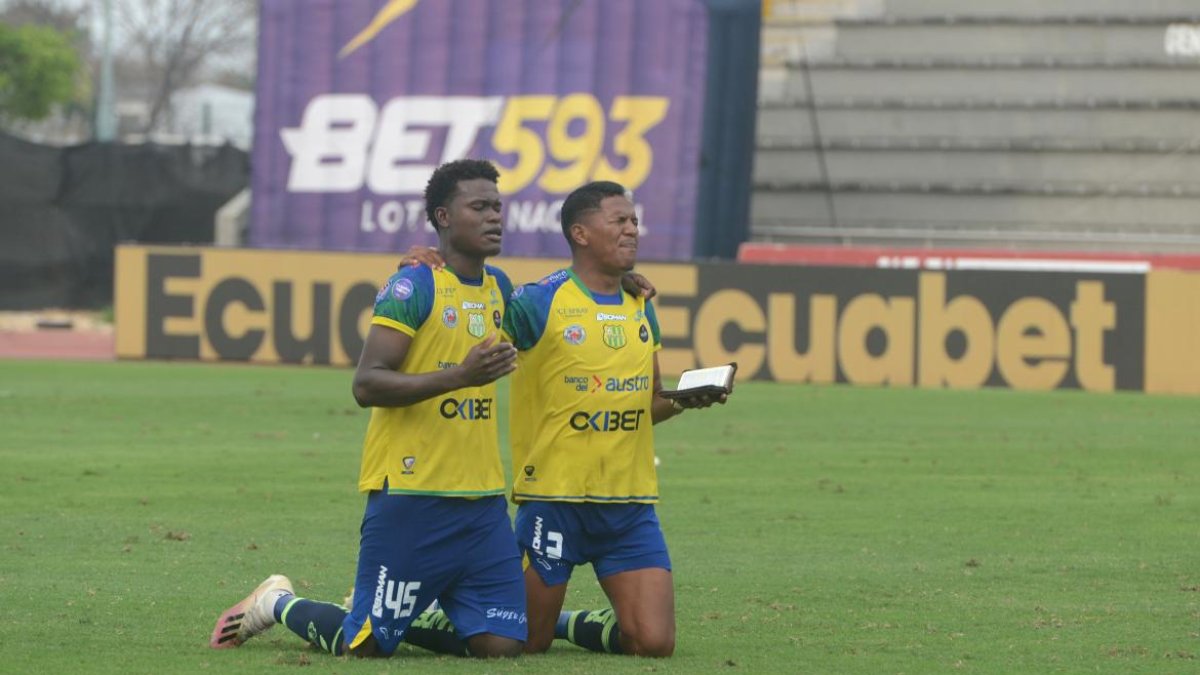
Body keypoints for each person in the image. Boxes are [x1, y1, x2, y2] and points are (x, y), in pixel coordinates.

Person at [209, 159, 527, 658]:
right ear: (444, 217)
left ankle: (390, 610)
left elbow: (560, 311)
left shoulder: (500, 289)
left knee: (503, 645)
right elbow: (367, 384)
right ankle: (277, 601)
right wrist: (460, 377)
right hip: (410, 491)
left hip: (482, 499)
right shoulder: (413, 286)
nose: (495, 217)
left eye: (498, 207)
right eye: (479, 207)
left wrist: (623, 284)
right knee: (363, 646)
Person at [501, 180, 728, 657]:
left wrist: (686, 398)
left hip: (627, 504)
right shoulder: (538, 302)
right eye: (619, 221)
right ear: (580, 233)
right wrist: (426, 269)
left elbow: (647, 404)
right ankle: (432, 616)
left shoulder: (640, 304)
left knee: (654, 642)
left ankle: (570, 621)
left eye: (635, 222)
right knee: (520, 643)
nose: (632, 230)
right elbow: (472, 320)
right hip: (553, 499)